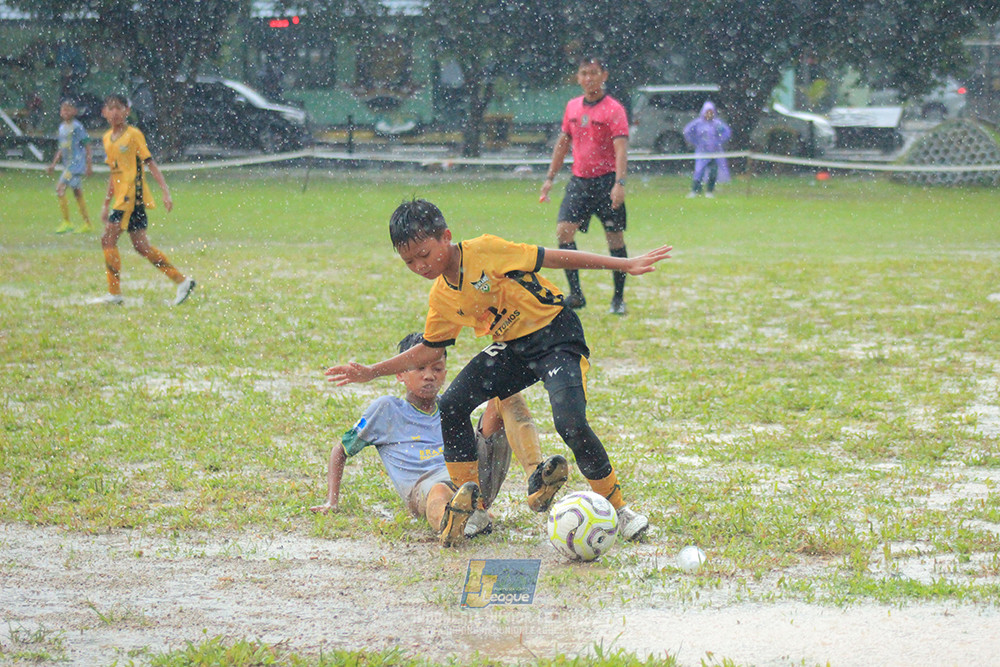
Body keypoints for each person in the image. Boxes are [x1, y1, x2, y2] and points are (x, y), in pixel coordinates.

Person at [326, 199, 673, 546]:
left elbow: (552, 256)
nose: (419, 265)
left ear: (446, 237)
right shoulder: (441, 297)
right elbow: (431, 347)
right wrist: (372, 371)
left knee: (570, 423)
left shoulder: (486, 251)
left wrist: (624, 264)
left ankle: (619, 510)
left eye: (424, 253)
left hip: (556, 335)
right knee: (454, 403)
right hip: (513, 348)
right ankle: (474, 508)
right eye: (409, 261)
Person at [312, 333, 553, 545]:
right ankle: (451, 525)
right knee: (439, 491)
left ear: (445, 373)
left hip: (473, 478)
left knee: (506, 393)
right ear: (400, 374)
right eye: (420, 368)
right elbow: (340, 450)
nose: (429, 376)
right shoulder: (386, 409)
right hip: (428, 489)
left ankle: (536, 478)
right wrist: (332, 501)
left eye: (436, 369)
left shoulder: (452, 407)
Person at [539, 56, 630, 315]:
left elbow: (621, 150)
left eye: (593, 72)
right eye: (583, 73)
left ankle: (618, 299)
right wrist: (549, 179)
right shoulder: (572, 107)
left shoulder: (614, 109)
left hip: (606, 182)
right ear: (578, 78)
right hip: (580, 182)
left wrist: (619, 183)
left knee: (614, 239)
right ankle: (576, 294)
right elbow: (563, 144)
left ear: (604, 75)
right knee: (564, 233)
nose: (588, 78)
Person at [93, 94, 195, 306]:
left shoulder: (133, 135)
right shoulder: (106, 139)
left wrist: (165, 192)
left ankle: (114, 294)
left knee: (108, 240)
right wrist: (105, 203)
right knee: (141, 246)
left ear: (127, 111)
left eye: (119, 108)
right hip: (122, 199)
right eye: (110, 108)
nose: (114, 113)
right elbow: (115, 174)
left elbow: (150, 163)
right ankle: (182, 281)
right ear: (104, 112)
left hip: (132, 197)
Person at [47, 100, 93, 234]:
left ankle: (67, 222)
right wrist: (53, 164)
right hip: (69, 165)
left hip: (75, 165)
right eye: (63, 110)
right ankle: (87, 223)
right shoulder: (62, 128)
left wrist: (89, 165)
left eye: (68, 109)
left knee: (60, 188)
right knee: (77, 193)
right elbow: (61, 148)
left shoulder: (77, 127)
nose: (65, 112)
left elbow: (87, 145)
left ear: (75, 111)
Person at [683, 100, 732, 198]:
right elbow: (687, 131)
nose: (709, 114)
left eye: (711, 112)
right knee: (699, 171)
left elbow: (726, 132)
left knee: (713, 171)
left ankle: (710, 190)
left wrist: (719, 141)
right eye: (707, 112)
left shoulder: (717, 124)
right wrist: (695, 142)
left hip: (714, 152)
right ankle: (695, 190)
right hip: (702, 152)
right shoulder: (698, 123)